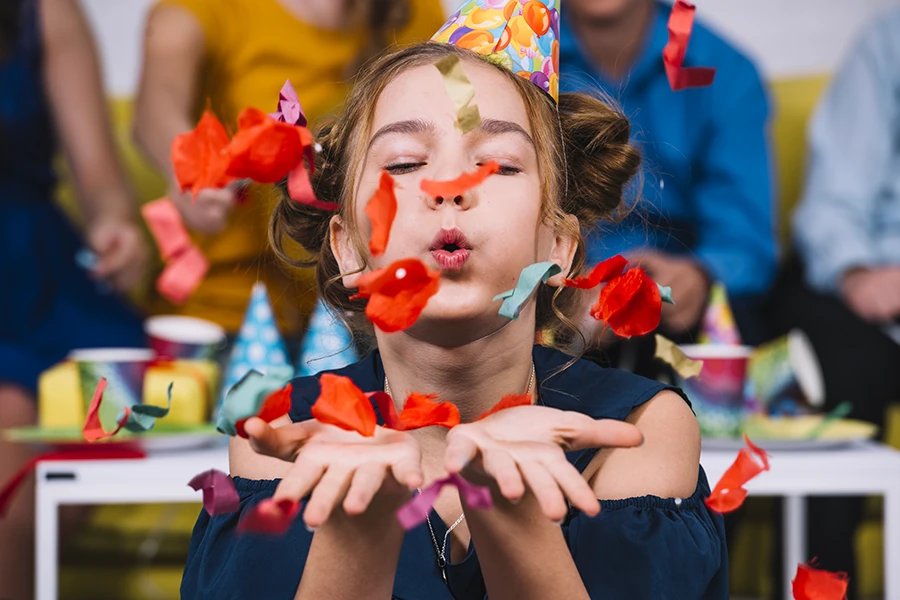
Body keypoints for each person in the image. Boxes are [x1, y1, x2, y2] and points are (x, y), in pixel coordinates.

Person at [180, 32, 728, 600]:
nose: (449, 188)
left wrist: (510, 513)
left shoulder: (637, 431)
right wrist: (357, 527)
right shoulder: (283, 435)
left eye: (499, 165)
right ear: (347, 248)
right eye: (406, 162)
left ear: (559, 249)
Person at [133, 0, 446, 343]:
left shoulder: (422, 12)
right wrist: (189, 167)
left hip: (370, 310)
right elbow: (155, 111)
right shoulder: (201, 11)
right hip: (228, 311)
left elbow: (463, 108)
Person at [0, 0, 148, 596]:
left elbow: (100, 180)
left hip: (45, 284)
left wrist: (116, 225)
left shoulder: (45, 11)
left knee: (110, 401)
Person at [559, 0, 776, 369]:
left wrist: (700, 275)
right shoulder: (509, 62)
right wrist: (560, 288)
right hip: (553, 282)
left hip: (677, 298)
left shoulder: (725, 69)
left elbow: (744, 240)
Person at [769, 9, 900, 597]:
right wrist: (857, 271)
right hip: (880, 293)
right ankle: (823, 590)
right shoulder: (891, 39)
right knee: (840, 360)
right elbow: (834, 205)